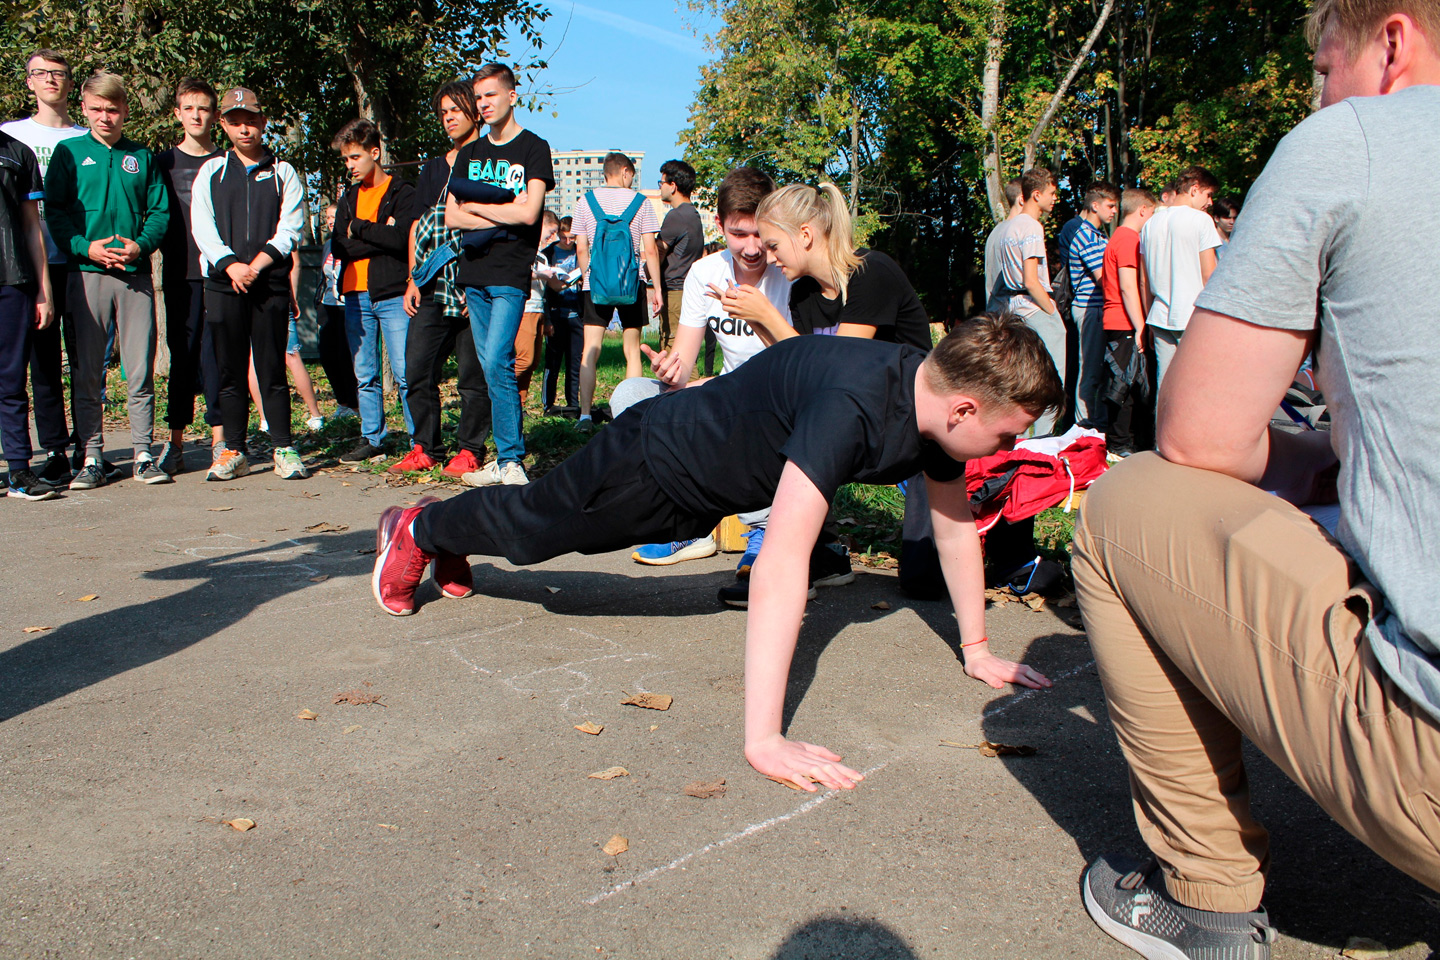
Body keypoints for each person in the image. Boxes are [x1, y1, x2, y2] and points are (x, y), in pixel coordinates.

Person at [1073, 3, 1440, 958]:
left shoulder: (1353, 141)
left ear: (1392, 42)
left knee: (1125, 501)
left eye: (1324, 66)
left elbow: (1200, 436)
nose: (1319, 92)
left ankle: (1207, 899)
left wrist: (1311, 465)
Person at [372, 314, 1063, 788]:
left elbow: (952, 525)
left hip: (704, 486)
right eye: (1011, 435)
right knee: (532, 534)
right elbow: (783, 559)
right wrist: (764, 739)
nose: (1012, 450)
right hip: (653, 462)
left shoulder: (933, 411)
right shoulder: (853, 407)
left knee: (533, 531)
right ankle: (420, 530)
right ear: (966, 409)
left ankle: (445, 530)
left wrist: (976, 649)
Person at [705, 181, 935, 604]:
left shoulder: (872, 273)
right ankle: (815, 554)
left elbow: (839, 370)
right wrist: (754, 320)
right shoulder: (804, 294)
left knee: (925, 582)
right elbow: (803, 371)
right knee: (776, 417)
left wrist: (767, 317)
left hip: (918, 427)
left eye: (774, 245)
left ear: (806, 236)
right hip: (862, 418)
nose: (768, 257)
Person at [620, 167, 791, 569]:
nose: (751, 248)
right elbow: (683, 363)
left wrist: (760, 315)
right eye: (738, 234)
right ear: (719, 225)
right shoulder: (705, 272)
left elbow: (805, 362)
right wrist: (669, 371)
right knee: (632, 396)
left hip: (778, 399)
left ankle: (763, 530)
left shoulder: (787, 271)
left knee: (746, 412)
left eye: (759, 235)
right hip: (727, 392)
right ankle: (687, 521)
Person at [45, 72, 169, 489]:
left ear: (125, 111)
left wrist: (141, 245)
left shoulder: (142, 155)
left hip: (134, 275)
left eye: (113, 109)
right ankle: (92, 456)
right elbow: (56, 212)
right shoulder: (69, 152)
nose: (105, 116)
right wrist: (85, 247)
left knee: (139, 370)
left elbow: (159, 211)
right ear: (84, 109)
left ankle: (143, 453)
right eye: (97, 109)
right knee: (86, 370)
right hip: (87, 274)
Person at [444, 62, 554, 485]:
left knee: (497, 359)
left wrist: (479, 209)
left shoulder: (532, 148)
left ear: (512, 95)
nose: (483, 104)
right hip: (473, 273)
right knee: (491, 364)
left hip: (510, 271)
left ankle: (511, 459)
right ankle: (505, 457)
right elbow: (452, 215)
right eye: (479, 97)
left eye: (491, 95)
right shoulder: (470, 153)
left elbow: (529, 213)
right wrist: (500, 214)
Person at [189, 87, 306, 482]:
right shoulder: (212, 171)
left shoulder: (283, 172)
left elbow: (290, 227)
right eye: (235, 121)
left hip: (268, 283)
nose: (244, 128)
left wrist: (256, 265)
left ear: (263, 122)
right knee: (229, 370)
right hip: (224, 284)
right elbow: (202, 226)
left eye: (251, 120)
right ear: (223, 124)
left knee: (272, 368)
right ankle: (234, 450)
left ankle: (283, 447)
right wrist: (231, 266)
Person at [393, 79, 492, 479]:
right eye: (444, 112)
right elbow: (418, 224)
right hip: (432, 284)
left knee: (473, 375)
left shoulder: (491, 162)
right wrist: (413, 279)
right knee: (416, 368)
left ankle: (470, 450)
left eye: (455, 109)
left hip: (474, 285)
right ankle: (424, 447)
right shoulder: (433, 168)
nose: (449, 118)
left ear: (474, 112)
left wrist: (478, 280)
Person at [2, 49, 89, 486]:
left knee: (83, 361)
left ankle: (86, 448)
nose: (50, 80)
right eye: (41, 73)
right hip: (27, 269)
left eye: (59, 73)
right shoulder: (10, 137)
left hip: (79, 264)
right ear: (29, 82)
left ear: (71, 83)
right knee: (41, 364)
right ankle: (53, 447)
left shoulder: (87, 134)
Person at [331, 118, 417, 463]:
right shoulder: (348, 197)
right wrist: (376, 234)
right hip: (355, 292)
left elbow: (401, 240)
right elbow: (339, 246)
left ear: (375, 152)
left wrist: (359, 229)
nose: (350, 166)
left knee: (405, 370)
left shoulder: (402, 192)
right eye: (346, 160)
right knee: (364, 373)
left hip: (394, 292)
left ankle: (419, 440)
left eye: (354, 157)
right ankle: (373, 438)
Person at [155, 77, 224, 477]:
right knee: (181, 359)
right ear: (178, 113)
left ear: (214, 114)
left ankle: (220, 441)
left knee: (216, 359)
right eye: (189, 108)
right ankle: (175, 442)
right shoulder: (162, 163)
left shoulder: (225, 162)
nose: (197, 115)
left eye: (204, 108)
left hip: (217, 275)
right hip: (180, 275)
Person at [571, 151, 662, 432]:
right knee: (632, 349)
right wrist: (656, 287)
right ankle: (627, 414)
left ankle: (585, 416)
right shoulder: (641, 203)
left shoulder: (585, 202)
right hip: (631, 284)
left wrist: (589, 275)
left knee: (590, 350)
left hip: (594, 285)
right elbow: (649, 249)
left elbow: (581, 247)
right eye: (632, 175)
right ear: (624, 171)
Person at [0, 119, 58, 499]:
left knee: (10, 382)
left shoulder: (16, 153)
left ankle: (19, 470)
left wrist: (43, 290)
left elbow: (31, 227)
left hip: (12, 279)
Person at [985, 168, 1063, 436]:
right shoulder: (1031, 226)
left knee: (1021, 378)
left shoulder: (1007, 228)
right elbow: (1031, 280)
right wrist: (1052, 312)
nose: (1056, 199)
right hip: (1033, 306)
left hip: (1013, 310)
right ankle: (1042, 440)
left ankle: (1017, 438)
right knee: (1052, 377)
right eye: (1052, 193)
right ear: (1036, 194)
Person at [1139, 165, 1221, 389]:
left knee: (1165, 386)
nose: (1210, 202)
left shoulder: (1149, 224)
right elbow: (1209, 275)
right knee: (1196, 387)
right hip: (1193, 317)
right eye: (1208, 194)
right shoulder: (1201, 220)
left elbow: (1144, 280)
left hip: (1159, 316)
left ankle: (1161, 426)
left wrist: (1148, 321)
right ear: (1194, 189)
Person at [1097, 188, 1156, 457]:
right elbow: (1129, 288)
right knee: (1125, 386)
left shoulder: (1118, 237)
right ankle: (1119, 445)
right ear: (1142, 210)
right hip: (1124, 322)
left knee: (1126, 384)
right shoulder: (1129, 240)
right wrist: (1141, 325)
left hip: (1118, 320)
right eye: (1152, 213)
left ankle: (1124, 443)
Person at [1056, 182, 1119, 429]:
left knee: (1097, 371)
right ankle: (1082, 430)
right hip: (1090, 308)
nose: (1114, 211)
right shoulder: (1085, 234)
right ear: (1095, 205)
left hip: (1097, 308)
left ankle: (1092, 426)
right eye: (1110, 205)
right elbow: (1103, 277)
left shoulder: (1098, 234)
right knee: (1089, 371)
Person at [315, 203, 360, 420]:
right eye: (327, 217)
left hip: (347, 306)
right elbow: (323, 278)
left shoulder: (351, 243)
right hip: (328, 305)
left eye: (333, 216)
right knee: (327, 355)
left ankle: (354, 405)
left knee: (344, 356)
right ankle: (342, 402)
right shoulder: (327, 245)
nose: (330, 220)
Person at [656, 159, 703, 354]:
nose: (660, 187)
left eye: (662, 183)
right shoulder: (693, 214)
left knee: (674, 352)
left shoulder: (676, 216)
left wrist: (645, 274)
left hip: (675, 291)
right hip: (687, 289)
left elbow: (658, 250)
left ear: (673, 186)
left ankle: (692, 387)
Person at [514, 209, 560, 408]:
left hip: (539, 309)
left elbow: (547, 290)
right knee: (524, 359)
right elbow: (517, 274)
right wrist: (541, 275)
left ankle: (519, 405)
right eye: (551, 231)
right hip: (524, 309)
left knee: (533, 364)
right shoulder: (522, 248)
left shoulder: (542, 256)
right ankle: (492, 389)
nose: (554, 237)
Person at [541, 215, 583, 412]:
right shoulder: (548, 253)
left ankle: (572, 404)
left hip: (577, 313)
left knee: (575, 364)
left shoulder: (581, 253)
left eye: (572, 238)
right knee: (553, 362)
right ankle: (548, 403)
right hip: (556, 313)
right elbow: (546, 289)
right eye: (563, 237)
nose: (568, 241)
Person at [982, 176, 1024, 305]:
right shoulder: (1018, 230)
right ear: (1022, 200)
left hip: (996, 311)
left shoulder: (996, 232)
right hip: (1010, 314)